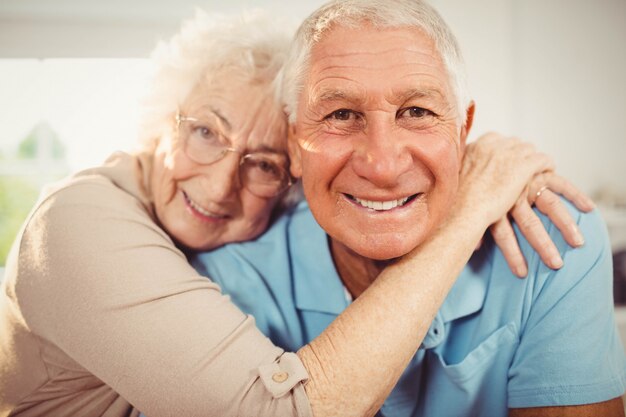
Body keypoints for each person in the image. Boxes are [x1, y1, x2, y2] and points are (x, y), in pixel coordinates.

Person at [0, 8, 597, 417]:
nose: (218, 185)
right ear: (160, 118)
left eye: (261, 162)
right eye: (204, 131)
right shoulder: (77, 226)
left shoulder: (554, 235)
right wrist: (469, 207)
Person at [193, 1, 626, 416]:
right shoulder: (225, 280)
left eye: (417, 111)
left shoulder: (556, 240)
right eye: (341, 114)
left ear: (462, 131)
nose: (382, 166)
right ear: (294, 144)